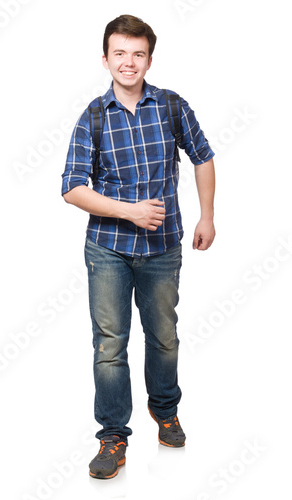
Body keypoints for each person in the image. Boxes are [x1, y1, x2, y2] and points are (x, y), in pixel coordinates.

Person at [61, 14, 216, 480]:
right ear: (105, 58)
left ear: (149, 58)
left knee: (163, 336)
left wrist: (207, 216)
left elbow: (204, 157)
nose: (129, 62)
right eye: (119, 53)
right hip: (107, 248)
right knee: (110, 344)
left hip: (163, 248)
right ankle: (112, 435)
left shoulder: (171, 106)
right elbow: (71, 187)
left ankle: (165, 411)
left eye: (138, 53)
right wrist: (128, 211)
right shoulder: (93, 115)